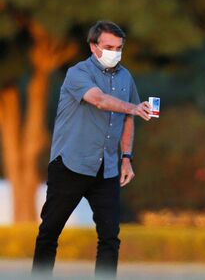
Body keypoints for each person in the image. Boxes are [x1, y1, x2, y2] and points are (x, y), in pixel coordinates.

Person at [32, 20, 152, 277]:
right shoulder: (78, 73)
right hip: (71, 164)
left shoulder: (125, 77)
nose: (115, 53)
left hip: (106, 168)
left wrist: (127, 158)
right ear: (93, 47)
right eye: (109, 46)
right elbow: (98, 100)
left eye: (119, 48)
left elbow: (130, 118)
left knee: (110, 237)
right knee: (50, 231)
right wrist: (132, 107)